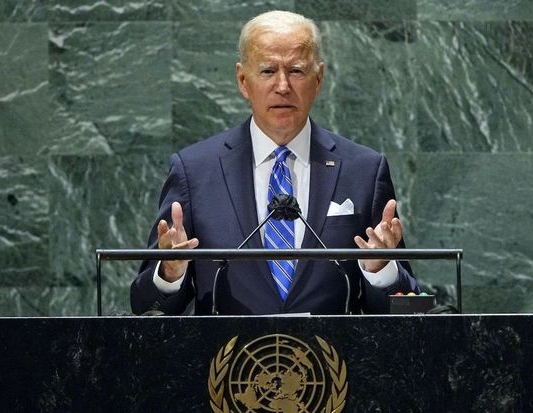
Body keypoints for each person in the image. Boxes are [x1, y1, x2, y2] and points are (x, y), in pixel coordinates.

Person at [130, 10, 420, 315]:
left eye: (296, 71)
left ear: (318, 78)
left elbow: (409, 305)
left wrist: (381, 268)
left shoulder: (363, 170)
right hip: (227, 347)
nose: (283, 86)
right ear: (243, 80)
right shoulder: (195, 171)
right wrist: (170, 272)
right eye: (268, 71)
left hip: (332, 347)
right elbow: (144, 308)